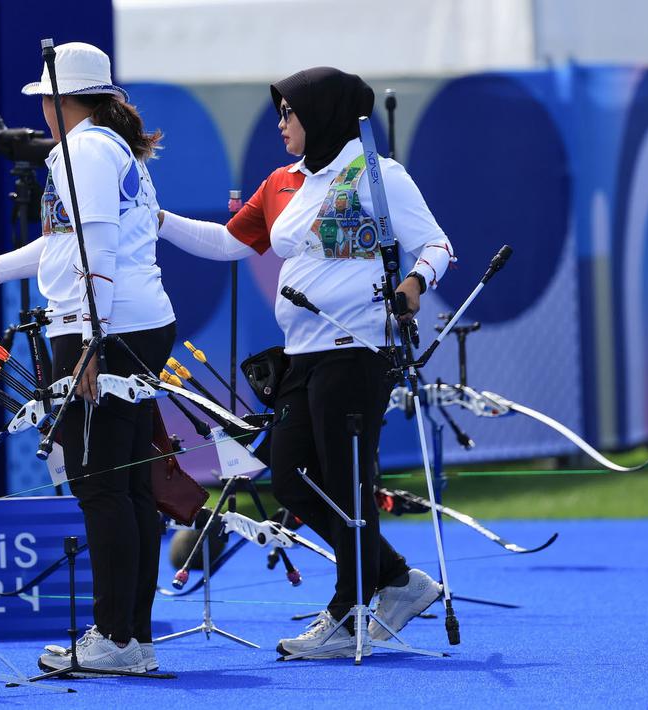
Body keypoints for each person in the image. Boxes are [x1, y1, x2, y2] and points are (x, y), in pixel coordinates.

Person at [154, 66, 454, 658]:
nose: (281, 124)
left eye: (289, 113)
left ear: (321, 115)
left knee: (346, 483)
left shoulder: (378, 174)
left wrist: (415, 283)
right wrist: (156, 220)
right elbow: (228, 242)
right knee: (292, 478)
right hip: (301, 354)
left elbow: (437, 245)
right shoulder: (282, 181)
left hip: (357, 351)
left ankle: (348, 612)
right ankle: (396, 579)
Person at [0, 42, 174, 674]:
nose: (41, 111)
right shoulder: (108, 147)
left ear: (60, 100)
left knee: (101, 486)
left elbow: (97, 246)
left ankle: (115, 638)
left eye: (44, 100)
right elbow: (65, 244)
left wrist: (90, 339)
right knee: (126, 485)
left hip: (103, 329)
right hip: (132, 323)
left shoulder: (83, 151)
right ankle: (131, 637)